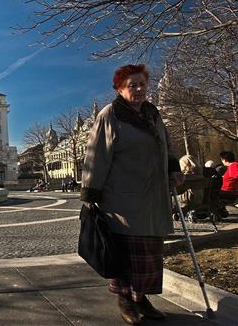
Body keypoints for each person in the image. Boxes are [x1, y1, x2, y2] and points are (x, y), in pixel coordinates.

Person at [80, 64, 184, 325]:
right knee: (126, 254)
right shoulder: (110, 115)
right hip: (122, 200)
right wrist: (91, 194)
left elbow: (166, 144)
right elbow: (97, 156)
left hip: (152, 197)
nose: (138, 89)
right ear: (120, 89)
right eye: (131, 85)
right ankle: (126, 300)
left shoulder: (152, 113)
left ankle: (141, 299)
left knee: (149, 254)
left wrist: (173, 168)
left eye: (141, 84)